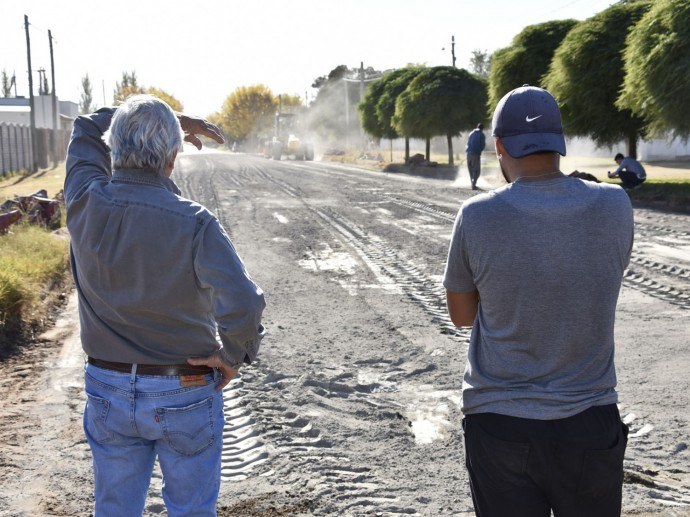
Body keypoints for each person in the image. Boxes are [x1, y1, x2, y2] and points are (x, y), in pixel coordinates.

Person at [64, 94, 266, 516]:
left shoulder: (83, 200)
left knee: (114, 509)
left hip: (107, 387)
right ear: (173, 159)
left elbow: (85, 126)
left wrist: (175, 118)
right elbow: (243, 304)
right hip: (185, 390)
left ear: (113, 149)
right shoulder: (194, 221)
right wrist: (231, 355)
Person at [444, 86, 633, 517]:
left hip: (499, 422)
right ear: (559, 144)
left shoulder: (476, 215)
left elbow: (461, 316)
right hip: (590, 418)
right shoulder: (615, 205)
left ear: (498, 147)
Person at [465, 123, 486, 190]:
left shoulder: (471, 133)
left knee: (470, 169)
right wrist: (480, 151)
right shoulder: (481, 134)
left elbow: (468, 143)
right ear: (482, 129)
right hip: (475, 154)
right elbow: (482, 145)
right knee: (476, 170)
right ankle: (473, 185)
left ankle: (472, 183)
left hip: (468, 153)